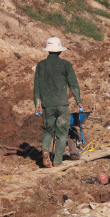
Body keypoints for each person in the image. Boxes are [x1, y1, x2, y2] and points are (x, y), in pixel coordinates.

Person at [33, 37, 82, 168]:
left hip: (47, 105)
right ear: (60, 51)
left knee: (48, 131)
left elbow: (37, 87)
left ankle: (45, 151)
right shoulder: (65, 65)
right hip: (62, 105)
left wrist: (37, 105)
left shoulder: (40, 65)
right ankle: (57, 160)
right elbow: (73, 84)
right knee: (62, 132)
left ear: (48, 51)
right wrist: (79, 101)